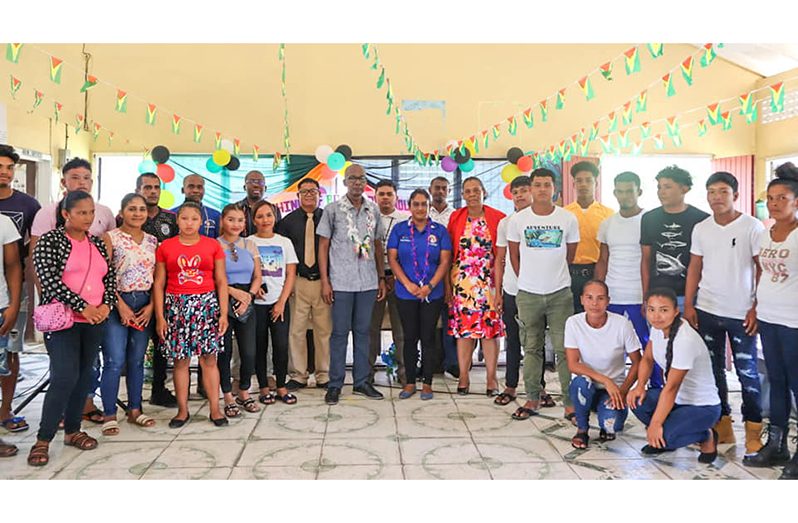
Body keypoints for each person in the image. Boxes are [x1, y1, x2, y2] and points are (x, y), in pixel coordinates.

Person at [28, 191, 117, 466]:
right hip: (64, 321)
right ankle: (43, 439)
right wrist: (83, 306)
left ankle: (73, 431)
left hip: (94, 321)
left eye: (91, 213)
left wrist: (106, 306)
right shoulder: (50, 241)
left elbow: (110, 276)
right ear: (66, 214)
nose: (88, 218)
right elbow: (49, 280)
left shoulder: (98, 244)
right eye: (81, 212)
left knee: (83, 377)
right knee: (64, 377)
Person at [683, 171, 765, 453]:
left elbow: (761, 268)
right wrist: (689, 304)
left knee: (747, 373)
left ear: (735, 195)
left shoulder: (751, 227)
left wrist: (757, 306)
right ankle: (723, 426)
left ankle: (754, 430)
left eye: (722, 192)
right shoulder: (702, 228)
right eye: (711, 192)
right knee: (713, 371)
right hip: (706, 309)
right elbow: (695, 267)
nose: (716, 198)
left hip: (742, 313)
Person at [507, 168, 579, 421]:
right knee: (532, 348)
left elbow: (570, 255)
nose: (541, 189)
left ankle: (570, 403)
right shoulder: (518, 220)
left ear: (554, 188)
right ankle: (532, 398)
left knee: (563, 349)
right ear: (531, 187)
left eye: (546, 184)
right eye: (537, 185)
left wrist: (554, 275)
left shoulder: (567, 219)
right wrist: (527, 279)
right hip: (528, 294)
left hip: (560, 294)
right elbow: (514, 255)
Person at [153, 201, 228, 428]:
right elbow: (159, 283)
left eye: (194, 219)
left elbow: (222, 281)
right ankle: (182, 410)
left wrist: (223, 313)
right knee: (180, 361)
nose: (189, 223)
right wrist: (160, 317)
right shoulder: (166, 246)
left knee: (209, 360)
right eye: (184, 218)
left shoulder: (213, 245)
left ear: (201, 222)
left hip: (206, 305)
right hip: (176, 306)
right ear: (177, 220)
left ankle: (215, 409)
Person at [744, 163, 798, 479]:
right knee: (776, 381)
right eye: (771, 198)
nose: (775, 203)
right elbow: (761, 272)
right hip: (768, 317)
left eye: (783, 197)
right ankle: (777, 446)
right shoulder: (766, 234)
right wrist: (755, 305)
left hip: (794, 321)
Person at [318, 164, 387, 405]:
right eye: (352, 178)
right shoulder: (332, 210)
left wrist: (380, 278)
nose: (357, 182)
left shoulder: (373, 210)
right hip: (340, 282)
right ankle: (335, 384)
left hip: (367, 282)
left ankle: (361, 382)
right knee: (338, 334)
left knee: (363, 333)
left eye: (361, 178)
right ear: (345, 181)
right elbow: (323, 246)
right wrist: (325, 281)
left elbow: (378, 245)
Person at [627, 287, 721, 463]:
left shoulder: (685, 339)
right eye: (651, 309)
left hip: (702, 407)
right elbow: (647, 358)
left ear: (676, 311)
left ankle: (705, 435)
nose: (656, 316)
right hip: (677, 400)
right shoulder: (658, 327)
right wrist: (639, 386)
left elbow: (671, 387)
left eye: (664, 310)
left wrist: (655, 425)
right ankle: (667, 431)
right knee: (637, 400)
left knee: (667, 439)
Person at [595, 171, 663, 389]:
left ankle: (655, 387)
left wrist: (649, 296)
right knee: (610, 346)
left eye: (629, 192)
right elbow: (603, 259)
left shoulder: (650, 221)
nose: (624, 196)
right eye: (620, 192)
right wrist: (599, 293)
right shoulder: (607, 224)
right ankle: (610, 389)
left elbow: (652, 261)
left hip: (640, 296)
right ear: (614, 193)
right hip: (613, 295)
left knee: (648, 345)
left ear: (639, 192)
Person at [99, 193, 158, 436]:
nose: (137, 213)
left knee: (136, 360)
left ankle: (135, 409)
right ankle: (109, 414)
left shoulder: (153, 241)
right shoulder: (109, 238)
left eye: (142, 209)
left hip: (144, 302)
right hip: (116, 304)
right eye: (131, 209)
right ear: (122, 212)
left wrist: (152, 306)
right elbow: (103, 275)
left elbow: (158, 278)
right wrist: (119, 305)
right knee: (114, 361)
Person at [388, 189, 452, 399]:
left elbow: (444, 262)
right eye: (416, 204)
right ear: (409, 206)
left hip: (431, 294)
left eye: (424, 204)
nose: (420, 208)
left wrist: (430, 286)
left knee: (428, 338)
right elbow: (393, 260)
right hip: (406, 293)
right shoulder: (399, 230)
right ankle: (409, 383)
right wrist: (407, 284)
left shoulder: (440, 231)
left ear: (429, 206)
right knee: (409, 337)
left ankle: (427, 383)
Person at [565, 280, 642, 448]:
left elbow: (638, 362)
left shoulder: (622, 324)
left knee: (611, 426)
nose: (594, 303)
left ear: (608, 301)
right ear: (582, 300)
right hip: (588, 385)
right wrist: (605, 380)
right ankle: (582, 429)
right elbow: (572, 364)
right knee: (580, 383)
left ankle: (604, 413)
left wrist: (623, 391)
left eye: (600, 298)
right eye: (589, 297)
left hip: (614, 390)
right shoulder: (573, 323)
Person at [447, 176, 505, 396]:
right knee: (464, 333)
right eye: (467, 191)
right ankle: (464, 376)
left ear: (484, 192)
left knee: (490, 333)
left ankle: (491, 378)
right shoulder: (456, 217)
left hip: (489, 284)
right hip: (462, 285)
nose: (471, 194)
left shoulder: (498, 218)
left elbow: (501, 256)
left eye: (475, 190)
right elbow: (450, 253)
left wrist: (499, 290)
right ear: (462, 195)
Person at [275, 178, 331, 390]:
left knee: (324, 330)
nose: (309, 195)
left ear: (320, 194)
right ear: (298, 196)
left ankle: (324, 374)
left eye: (313, 191)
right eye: (304, 192)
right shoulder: (287, 222)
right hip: (297, 281)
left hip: (323, 282)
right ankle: (298, 374)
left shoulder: (328, 218)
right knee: (296, 330)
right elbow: (281, 256)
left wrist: (329, 281)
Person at [0, 144, 40, 435]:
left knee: (10, 351)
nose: (4, 173)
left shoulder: (28, 205)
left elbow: (29, 250)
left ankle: (6, 410)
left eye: (9, 167)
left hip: (13, 288)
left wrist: (18, 298)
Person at [135, 172, 179, 408]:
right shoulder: (128, 217)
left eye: (156, 187)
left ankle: (159, 389)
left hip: (164, 289)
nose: (152, 191)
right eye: (147, 187)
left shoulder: (171, 220)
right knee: (134, 347)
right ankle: (133, 397)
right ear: (138, 189)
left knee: (162, 343)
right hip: (134, 291)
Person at [247, 201, 297, 405]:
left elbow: (291, 274)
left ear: (275, 217)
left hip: (279, 301)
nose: (264, 220)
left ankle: (282, 386)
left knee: (281, 345)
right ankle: (264, 387)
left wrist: (281, 302)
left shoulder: (284, 242)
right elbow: (245, 270)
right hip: (256, 304)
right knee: (259, 346)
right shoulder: (248, 242)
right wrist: (252, 288)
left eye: (268, 215)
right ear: (253, 220)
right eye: (260, 216)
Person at [640, 165, 709, 307]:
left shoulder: (702, 219)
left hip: (692, 297)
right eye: (659, 187)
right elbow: (646, 260)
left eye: (667, 187)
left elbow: (705, 262)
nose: (661, 192)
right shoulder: (649, 218)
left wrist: (690, 302)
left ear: (685, 189)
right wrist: (645, 295)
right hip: (656, 296)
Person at [217, 204, 262, 415]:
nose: (236, 224)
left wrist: (249, 296)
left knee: (249, 350)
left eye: (240, 220)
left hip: (247, 298)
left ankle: (244, 391)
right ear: (222, 221)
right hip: (222, 299)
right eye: (231, 219)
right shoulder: (214, 245)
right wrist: (234, 293)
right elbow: (213, 278)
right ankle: (227, 395)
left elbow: (258, 276)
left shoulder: (250, 244)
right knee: (223, 351)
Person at [494, 175, 531, 406]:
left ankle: (538, 389)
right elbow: (499, 259)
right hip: (511, 290)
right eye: (515, 191)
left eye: (524, 190)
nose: (519, 195)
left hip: (536, 291)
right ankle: (510, 385)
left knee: (534, 342)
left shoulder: (542, 221)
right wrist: (498, 292)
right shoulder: (505, 223)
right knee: (513, 340)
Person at [369, 180, 409, 385]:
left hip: (400, 278)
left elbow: (409, 251)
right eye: (381, 194)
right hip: (372, 279)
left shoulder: (405, 220)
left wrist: (394, 276)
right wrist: (380, 278)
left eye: (389, 194)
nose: (385, 197)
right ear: (375, 196)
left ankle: (404, 372)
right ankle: (367, 373)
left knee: (400, 329)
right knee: (370, 328)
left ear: (396, 197)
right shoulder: (368, 218)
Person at [564, 161, 614, 312]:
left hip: (598, 273)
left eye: (588, 180)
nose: (583, 185)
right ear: (573, 185)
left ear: (596, 183)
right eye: (579, 181)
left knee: (596, 317)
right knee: (572, 317)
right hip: (570, 274)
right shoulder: (564, 213)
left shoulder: (608, 215)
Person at [428, 176, 458, 379]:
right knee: (427, 322)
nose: (439, 191)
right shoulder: (422, 212)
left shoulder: (455, 215)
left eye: (443, 188)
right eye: (436, 188)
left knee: (451, 321)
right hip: (426, 273)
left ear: (448, 191)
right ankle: (429, 363)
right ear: (430, 190)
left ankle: (452, 363)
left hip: (452, 272)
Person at [171, 174, 221, 238]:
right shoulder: (171, 214)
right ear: (183, 190)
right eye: (191, 187)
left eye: (199, 187)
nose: (195, 190)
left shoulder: (215, 215)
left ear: (204, 190)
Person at [236, 170, 281, 237]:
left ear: (265, 188)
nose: (256, 185)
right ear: (244, 187)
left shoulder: (274, 209)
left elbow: (278, 233)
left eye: (260, 182)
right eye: (251, 182)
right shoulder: (236, 208)